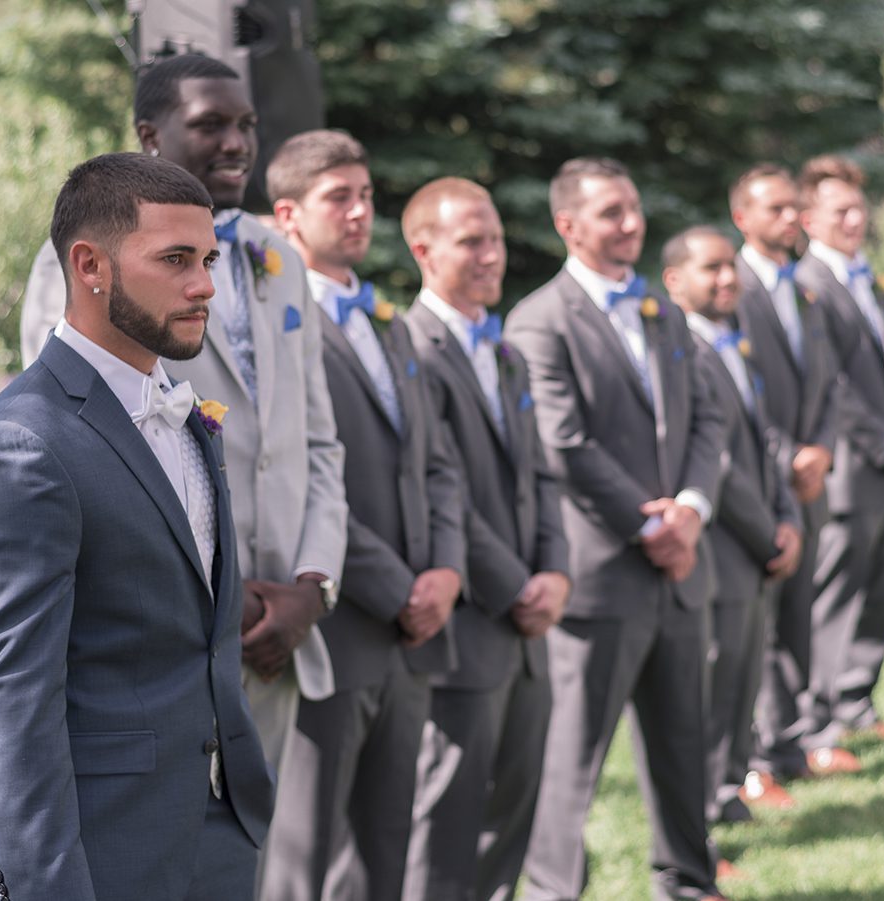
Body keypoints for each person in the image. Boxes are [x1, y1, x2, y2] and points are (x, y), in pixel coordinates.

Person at [0, 151, 274, 901]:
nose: (205, 286)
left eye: (210, 259)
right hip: (92, 855)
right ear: (90, 265)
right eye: (177, 259)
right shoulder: (23, 444)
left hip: (214, 838)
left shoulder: (186, 415)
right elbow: (9, 707)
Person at [18, 54, 347, 780]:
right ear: (150, 134)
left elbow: (316, 440)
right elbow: (81, 445)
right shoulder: (85, 264)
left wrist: (314, 585)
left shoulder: (279, 259)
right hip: (165, 639)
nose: (237, 142)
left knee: (247, 867)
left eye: (247, 124)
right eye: (211, 124)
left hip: (281, 632)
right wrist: (217, 597)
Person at [505, 157, 729, 901]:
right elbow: (563, 442)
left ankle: (690, 883)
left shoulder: (663, 312)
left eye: (633, 208)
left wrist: (691, 509)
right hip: (601, 574)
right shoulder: (540, 319)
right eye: (611, 212)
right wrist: (649, 526)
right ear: (568, 225)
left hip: (679, 565)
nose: (631, 223)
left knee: (683, 744)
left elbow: (708, 415)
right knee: (572, 759)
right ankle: (553, 891)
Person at [261, 129, 466, 901]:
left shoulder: (392, 323)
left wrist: (445, 571)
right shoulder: (283, 329)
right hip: (339, 624)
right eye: (336, 197)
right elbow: (309, 476)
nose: (358, 211)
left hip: (415, 632)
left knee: (386, 853)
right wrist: (397, 587)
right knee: (304, 856)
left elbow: (437, 461)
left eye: (366, 195)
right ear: (287, 215)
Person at [398, 177, 571, 901]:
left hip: (530, 626)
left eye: (495, 237)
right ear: (423, 249)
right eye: (472, 240)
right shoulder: (410, 346)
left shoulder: (506, 352)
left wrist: (556, 571)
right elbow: (442, 491)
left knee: (512, 812)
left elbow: (541, 474)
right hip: (469, 622)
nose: (491, 254)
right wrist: (513, 586)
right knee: (447, 824)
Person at [662, 226, 804, 825]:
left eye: (730, 268)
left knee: (742, 678)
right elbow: (713, 458)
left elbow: (767, 437)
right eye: (711, 269)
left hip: (758, 538)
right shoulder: (681, 349)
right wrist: (764, 528)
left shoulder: (733, 341)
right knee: (712, 685)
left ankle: (727, 791)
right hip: (721, 543)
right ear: (674, 282)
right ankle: (700, 810)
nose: (728, 279)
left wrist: (789, 515)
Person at [795, 154, 884, 750]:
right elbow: (832, 384)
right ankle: (818, 716)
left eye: (858, 208)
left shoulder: (874, 281)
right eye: (840, 209)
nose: (854, 219)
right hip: (851, 467)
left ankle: (857, 701)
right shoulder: (807, 286)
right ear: (807, 217)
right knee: (836, 593)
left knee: (883, 589)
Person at [730, 164, 852, 789]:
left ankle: (788, 744)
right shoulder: (733, 288)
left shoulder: (805, 288)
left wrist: (823, 450)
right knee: (757, 629)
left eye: (792, 208)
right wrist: (789, 458)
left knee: (797, 622)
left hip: (812, 478)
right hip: (762, 484)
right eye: (774, 209)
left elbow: (830, 380)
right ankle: (750, 761)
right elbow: (737, 396)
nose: (789, 219)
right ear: (741, 217)